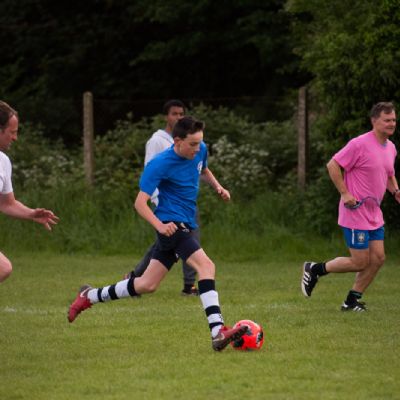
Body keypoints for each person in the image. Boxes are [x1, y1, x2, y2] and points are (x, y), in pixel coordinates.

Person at [68, 116, 249, 351]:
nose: (198, 148)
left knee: (147, 284)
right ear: (177, 141)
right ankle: (217, 331)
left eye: (200, 143)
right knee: (206, 266)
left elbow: (203, 169)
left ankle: (89, 295)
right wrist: (160, 226)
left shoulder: (200, 149)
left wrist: (218, 187)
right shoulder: (159, 164)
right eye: (193, 144)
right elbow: (140, 203)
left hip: (185, 223)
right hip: (171, 225)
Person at [301, 102, 400, 311]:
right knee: (360, 261)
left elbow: (389, 174)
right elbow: (333, 164)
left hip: (374, 213)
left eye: (393, 120)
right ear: (374, 121)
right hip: (355, 213)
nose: (392, 123)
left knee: (378, 258)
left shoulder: (391, 147)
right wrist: (345, 193)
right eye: (387, 120)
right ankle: (315, 269)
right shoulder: (359, 144)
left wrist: (396, 191)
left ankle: (351, 301)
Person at [125, 99, 199, 296]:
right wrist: (156, 199)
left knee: (165, 246)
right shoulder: (157, 141)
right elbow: (151, 171)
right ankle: (189, 285)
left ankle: (134, 279)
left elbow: (196, 168)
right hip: (166, 204)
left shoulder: (191, 140)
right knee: (187, 243)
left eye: (181, 114)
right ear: (166, 116)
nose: (178, 117)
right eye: (174, 114)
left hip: (185, 203)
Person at [0, 101, 59, 283]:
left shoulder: (3, 162)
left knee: (3, 268)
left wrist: (31, 214)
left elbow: (7, 203)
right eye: (12, 132)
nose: (15, 138)